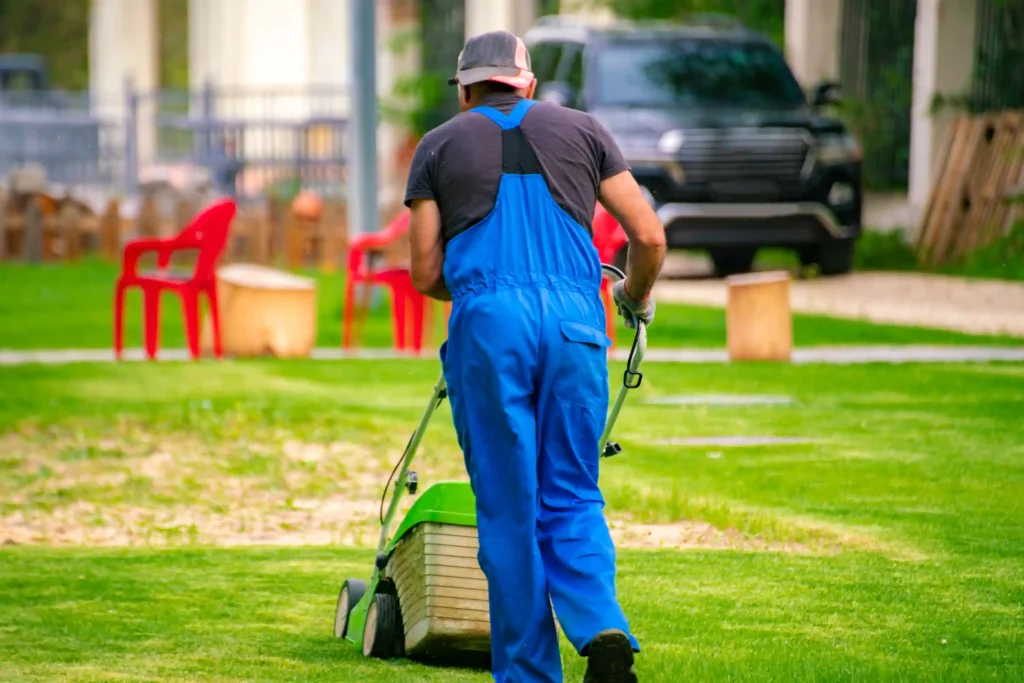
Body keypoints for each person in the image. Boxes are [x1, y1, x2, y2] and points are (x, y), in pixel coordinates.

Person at [404, 29, 666, 683]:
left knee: (509, 504)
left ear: (465, 90)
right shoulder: (585, 131)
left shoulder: (436, 145)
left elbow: (422, 270)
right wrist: (632, 295)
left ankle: (528, 674)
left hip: (491, 329)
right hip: (579, 323)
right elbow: (650, 235)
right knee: (574, 491)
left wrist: (474, 290)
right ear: (529, 84)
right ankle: (602, 628)